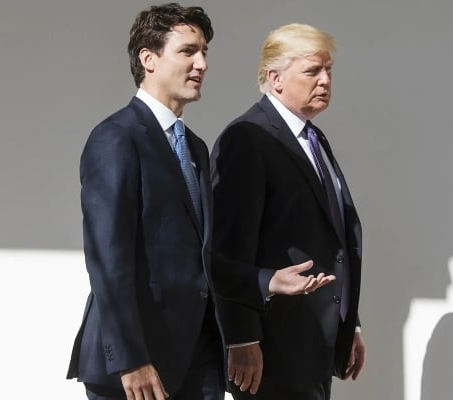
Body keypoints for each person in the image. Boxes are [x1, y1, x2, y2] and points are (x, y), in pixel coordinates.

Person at [66, 4, 224, 399]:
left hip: (197, 359)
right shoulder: (116, 138)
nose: (201, 63)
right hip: (137, 367)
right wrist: (130, 359)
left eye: (204, 52)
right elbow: (108, 259)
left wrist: (267, 281)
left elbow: (200, 257)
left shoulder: (196, 149)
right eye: (188, 51)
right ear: (148, 59)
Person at [209, 23, 366, 400]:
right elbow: (228, 251)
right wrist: (242, 337)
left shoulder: (312, 137)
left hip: (315, 341)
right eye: (312, 71)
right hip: (273, 348)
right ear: (275, 79)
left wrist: (350, 323)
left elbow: (333, 236)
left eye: (328, 70)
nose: (325, 80)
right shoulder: (248, 138)